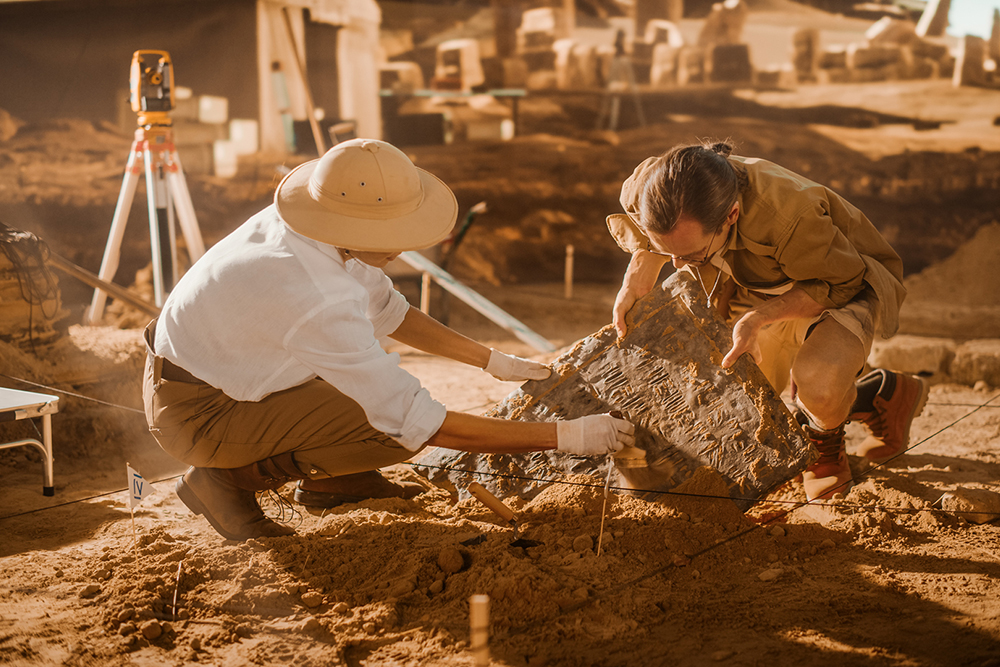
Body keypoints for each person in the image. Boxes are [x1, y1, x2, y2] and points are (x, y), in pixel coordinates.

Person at [142, 138, 634, 541]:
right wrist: (567, 437)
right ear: (350, 224)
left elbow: (388, 311)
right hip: (198, 413)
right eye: (394, 230)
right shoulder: (317, 293)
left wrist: (491, 361)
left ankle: (333, 482)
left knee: (378, 397)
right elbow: (420, 424)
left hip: (209, 375)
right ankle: (224, 481)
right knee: (391, 429)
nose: (404, 244)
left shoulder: (314, 228)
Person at [607, 141, 929, 501]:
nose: (680, 266)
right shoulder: (652, 186)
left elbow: (841, 282)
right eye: (672, 253)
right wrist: (641, 262)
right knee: (734, 402)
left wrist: (757, 319)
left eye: (694, 254)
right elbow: (645, 228)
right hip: (757, 281)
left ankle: (825, 446)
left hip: (838, 281)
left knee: (818, 383)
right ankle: (884, 396)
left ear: (731, 215)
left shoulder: (790, 214)